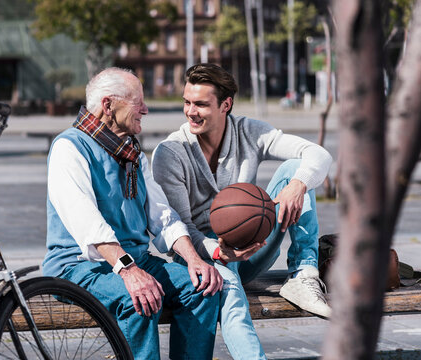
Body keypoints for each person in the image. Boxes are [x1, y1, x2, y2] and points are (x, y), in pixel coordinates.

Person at [151, 63, 333, 360]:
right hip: (205, 256)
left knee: (294, 169)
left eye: (201, 104)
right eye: (187, 102)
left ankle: (303, 273)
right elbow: (180, 228)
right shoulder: (170, 153)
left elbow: (319, 154)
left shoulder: (248, 131)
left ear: (226, 105)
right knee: (231, 293)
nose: (190, 111)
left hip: (253, 246)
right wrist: (219, 252)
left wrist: (298, 185)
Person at [42, 67, 223, 360]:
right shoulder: (69, 147)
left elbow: (163, 218)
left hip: (135, 261)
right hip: (78, 266)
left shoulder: (133, 154)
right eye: (137, 101)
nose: (145, 108)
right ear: (108, 105)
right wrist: (127, 270)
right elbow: (87, 223)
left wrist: (194, 260)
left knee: (202, 288)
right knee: (136, 299)